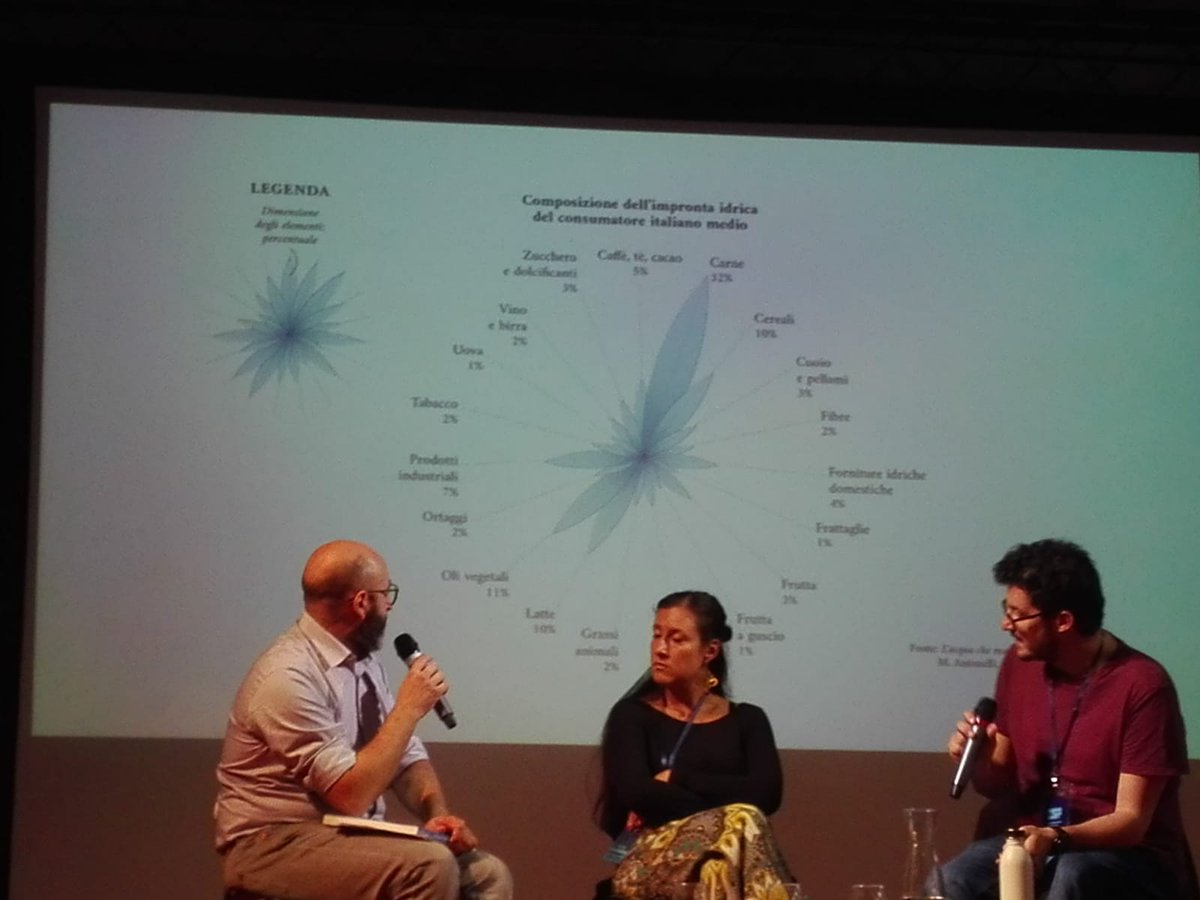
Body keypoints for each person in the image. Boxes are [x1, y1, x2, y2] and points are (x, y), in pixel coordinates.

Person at [214, 539, 512, 900]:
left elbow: (404, 758)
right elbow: (350, 795)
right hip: (273, 844)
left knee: (487, 875)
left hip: (345, 834)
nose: (389, 604)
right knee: (428, 866)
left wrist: (437, 816)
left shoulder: (363, 662)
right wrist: (409, 708)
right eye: (386, 593)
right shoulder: (286, 676)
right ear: (361, 602)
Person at [941, 538, 1197, 900]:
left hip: (1131, 858)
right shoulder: (1018, 665)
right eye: (1006, 609)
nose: (1005, 624)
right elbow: (997, 784)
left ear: (1063, 621)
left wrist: (1056, 837)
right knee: (952, 880)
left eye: (1017, 615)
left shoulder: (1142, 684)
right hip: (1035, 841)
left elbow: (1131, 821)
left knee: (1072, 875)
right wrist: (980, 757)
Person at [595, 590, 795, 900]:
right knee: (742, 821)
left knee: (725, 857)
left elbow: (767, 794)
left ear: (710, 651)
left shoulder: (748, 719)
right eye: (657, 636)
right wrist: (729, 811)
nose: (661, 649)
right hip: (648, 864)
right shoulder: (631, 715)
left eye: (677, 639)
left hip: (728, 860)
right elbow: (638, 793)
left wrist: (678, 778)